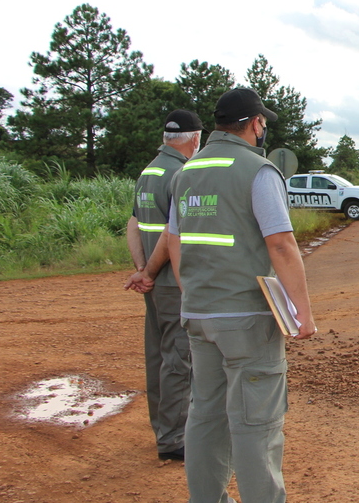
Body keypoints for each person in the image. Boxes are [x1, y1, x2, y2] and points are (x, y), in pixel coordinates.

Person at [167, 87, 316, 503]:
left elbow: (175, 242)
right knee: (256, 425)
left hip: (198, 314)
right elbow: (282, 245)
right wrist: (302, 313)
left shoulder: (188, 172)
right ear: (255, 124)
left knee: (205, 416)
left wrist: (192, 292)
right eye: (262, 122)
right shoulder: (258, 170)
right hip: (247, 319)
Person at [123, 109, 203, 461]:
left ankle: (162, 427)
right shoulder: (181, 173)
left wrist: (140, 268)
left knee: (157, 356)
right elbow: (172, 233)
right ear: (195, 139)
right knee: (178, 360)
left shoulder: (149, 171)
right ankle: (173, 439)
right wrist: (152, 272)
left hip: (155, 285)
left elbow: (133, 223)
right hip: (171, 283)